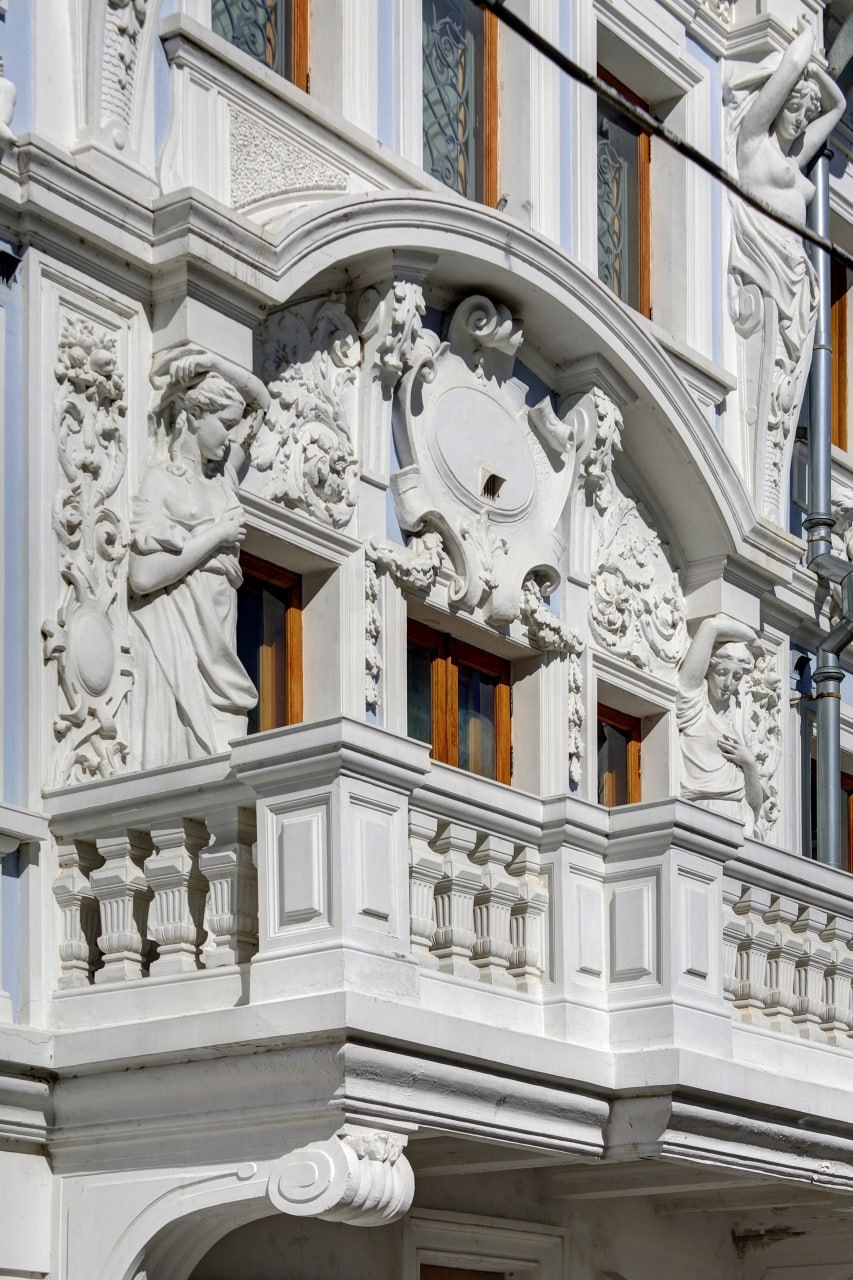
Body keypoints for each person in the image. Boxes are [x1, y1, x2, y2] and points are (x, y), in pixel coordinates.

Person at [129, 349, 270, 769]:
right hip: (183, 637)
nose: (230, 437)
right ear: (193, 415)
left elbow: (262, 404)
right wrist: (216, 536)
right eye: (224, 424)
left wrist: (214, 363)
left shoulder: (224, 478)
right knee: (191, 761)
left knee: (224, 761)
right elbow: (142, 576)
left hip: (221, 639)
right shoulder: (161, 482)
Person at [677, 614, 764, 833]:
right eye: (722, 673)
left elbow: (755, 806)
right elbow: (710, 626)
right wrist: (752, 638)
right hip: (702, 812)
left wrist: (749, 763)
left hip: (740, 820)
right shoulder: (693, 708)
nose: (728, 683)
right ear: (708, 670)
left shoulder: (734, 727)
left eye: (736, 677)